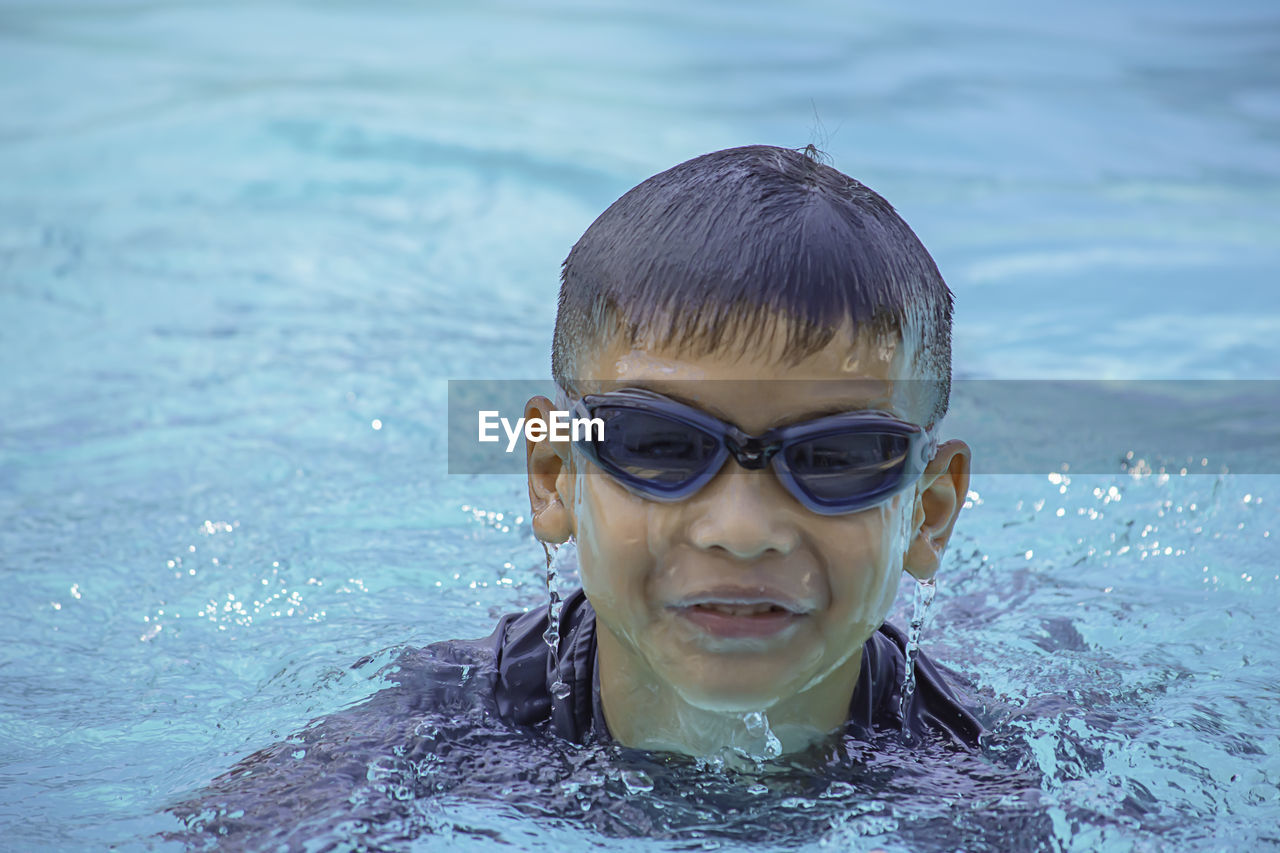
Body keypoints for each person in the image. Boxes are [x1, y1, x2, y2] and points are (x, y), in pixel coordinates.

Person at [171, 145, 982, 845]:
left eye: (838, 456)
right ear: (555, 475)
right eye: (660, 445)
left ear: (929, 511)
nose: (742, 530)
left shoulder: (993, 772)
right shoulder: (423, 740)